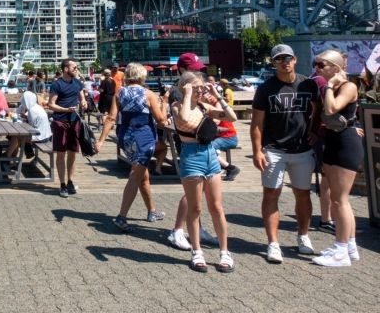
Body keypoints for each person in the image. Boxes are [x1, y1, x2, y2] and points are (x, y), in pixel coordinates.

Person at [251, 44, 320, 264]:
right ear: (273, 63)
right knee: (271, 194)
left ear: (295, 60)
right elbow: (256, 123)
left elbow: (318, 110)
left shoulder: (308, 84)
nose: (284, 62)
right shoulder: (265, 89)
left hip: (302, 149)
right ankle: (273, 243)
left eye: (288, 58)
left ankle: (303, 236)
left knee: (303, 193)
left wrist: (315, 132)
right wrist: (256, 151)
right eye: (279, 59)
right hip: (274, 149)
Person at [172, 71, 236, 273]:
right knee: (196, 208)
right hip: (191, 156)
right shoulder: (176, 106)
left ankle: (225, 252)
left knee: (216, 206)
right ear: (185, 87)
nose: (200, 91)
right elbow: (184, 120)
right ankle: (197, 251)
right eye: (196, 87)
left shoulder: (203, 106)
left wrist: (217, 97)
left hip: (209, 155)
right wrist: (188, 94)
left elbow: (231, 117)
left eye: (201, 87)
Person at [96, 63, 168, 232]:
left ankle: (152, 211)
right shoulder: (148, 94)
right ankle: (121, 216)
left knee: (143, 176)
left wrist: (101, 140)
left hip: (126, 137)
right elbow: (162, 120)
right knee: (135, 176)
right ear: (142, 76)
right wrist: (164, 102)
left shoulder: (119, 93)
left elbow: (111, 118)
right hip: (143, 138)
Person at [311, 49, 362, 266]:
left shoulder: (348, 86)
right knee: (335, 198)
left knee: (341, 200)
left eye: (321, 65)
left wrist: (330, 85)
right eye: (316, 64)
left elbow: (331, 109)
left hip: (345, 143)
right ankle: (348, 246)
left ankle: (341, 250)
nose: (317, 68)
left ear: (336, 67)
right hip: (332, 140)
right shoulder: (333, 86)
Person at [48, 58, 87, 198]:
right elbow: (51, 104)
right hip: (61, 121)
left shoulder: (77, 82)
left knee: (72, 152)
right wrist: (66, 110)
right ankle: (62, 184)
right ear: (66, 69)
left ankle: (70, 181)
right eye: (74, 67)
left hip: (74, 121)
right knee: (60, 153)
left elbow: (82, 97)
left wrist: (83, 103)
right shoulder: (57, 84)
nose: (76, 69)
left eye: (76, 67)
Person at [9, 90, 52, 160]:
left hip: (41, 137)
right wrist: (26, 117)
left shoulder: (32, 111)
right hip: (46, 135)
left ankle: (8, 156)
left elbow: (31, 127)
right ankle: (15, 157)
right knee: (18, 136)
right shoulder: (36, 107)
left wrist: (24, 119)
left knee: (16, 137)